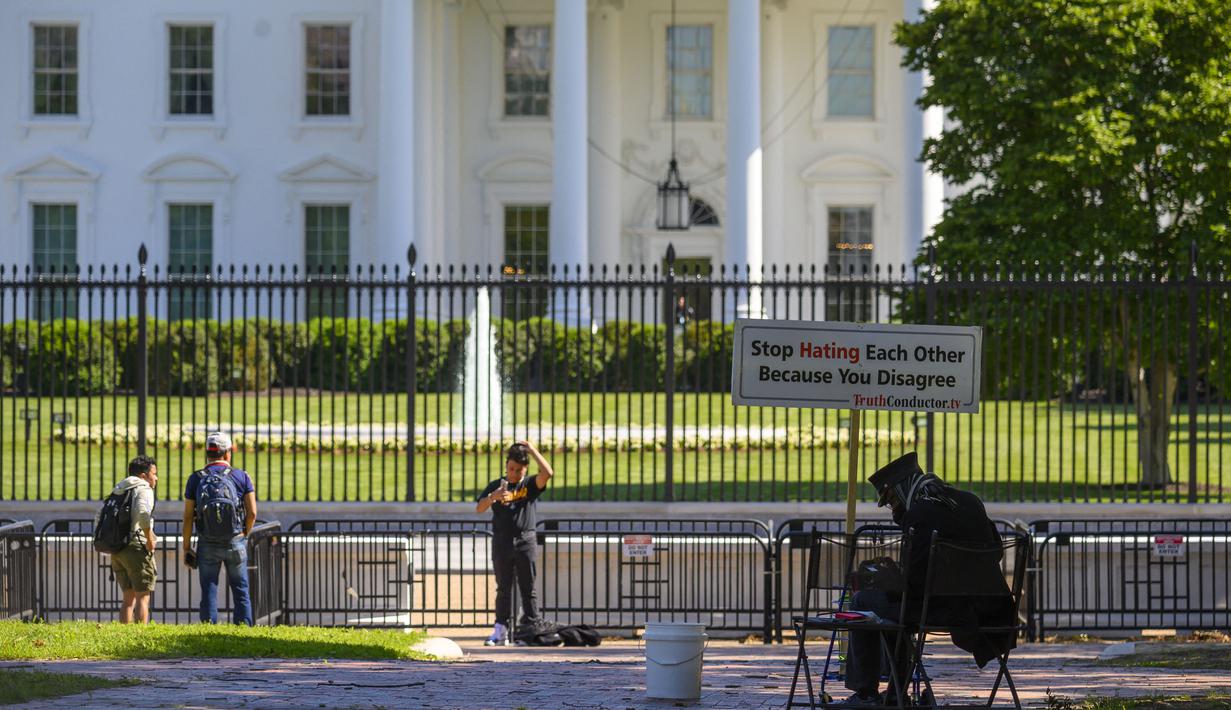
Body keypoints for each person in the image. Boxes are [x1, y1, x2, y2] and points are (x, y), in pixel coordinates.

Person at [843, 451, 1012, 706]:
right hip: (989, 609)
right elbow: (995, 552)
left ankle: (866, 691)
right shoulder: (970, 501)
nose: (893, 509)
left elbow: (915, 585)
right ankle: (896, 691)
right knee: (890, 611)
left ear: (901, 490)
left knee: (864, 602)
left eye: (891, 502)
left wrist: (888, 579)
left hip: (944, 611)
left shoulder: (920, 515)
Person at [475, 440, 554, 646]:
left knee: (528, 588)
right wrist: (493, 496)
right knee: (503, 587)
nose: (514, 473)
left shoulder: (528, 485)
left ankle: (531, 631)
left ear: (525, 468)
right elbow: (479, 508)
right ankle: (500, 630)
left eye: (519, 470)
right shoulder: (496, 485)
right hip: (502, 542)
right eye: (511, 469)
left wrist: (533, 450)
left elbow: (548, 473)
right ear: (506, 466)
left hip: (525, 541)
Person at [182, 431, 257, 625]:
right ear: (228, 453)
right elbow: (253, 513)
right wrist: (244, 533)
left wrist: (187, 547)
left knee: (208, 590)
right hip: (235, 540)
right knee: (241, 589)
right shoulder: (241, 476)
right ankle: (244, 631)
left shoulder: (196, 478)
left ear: (207, 453)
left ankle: (209, 630)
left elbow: (188, 516)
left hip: (207, 542)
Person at [106, 455, 159, 623]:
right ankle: (140, 635)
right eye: (153, 473)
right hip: (136, 547)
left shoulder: (119, 488)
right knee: (143, 596)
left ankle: (124, 634)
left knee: (128, 598)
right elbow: (143, 514)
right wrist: (149, 539)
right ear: (143, 476)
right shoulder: (144, 489)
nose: (156, 478)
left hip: (117, 548)